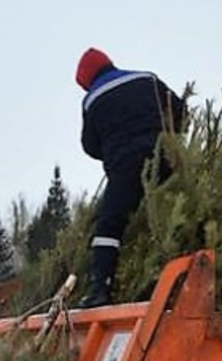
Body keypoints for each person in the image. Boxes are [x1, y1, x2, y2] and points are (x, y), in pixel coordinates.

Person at [74, 46, 188, 307]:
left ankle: (100, 290)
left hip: (126, 168)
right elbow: (179, 111)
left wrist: (111, 151)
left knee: (109, 226)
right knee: (181, 210)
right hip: (166, 159)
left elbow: (89, 145)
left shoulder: (92, 100)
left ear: (86, 80)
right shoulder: (146, 78)